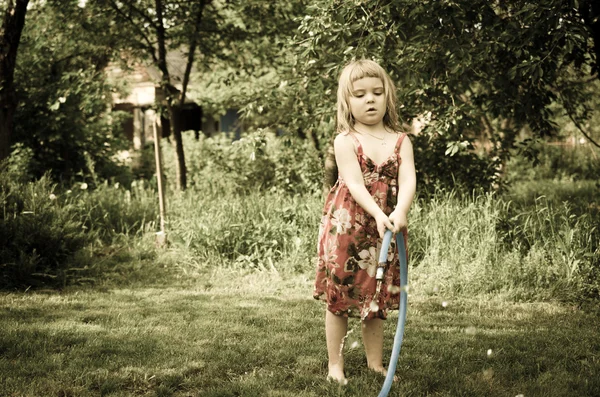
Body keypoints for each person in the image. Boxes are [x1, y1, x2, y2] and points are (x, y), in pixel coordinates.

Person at [313, 59, 416, 385]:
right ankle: (335, 365)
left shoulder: (401, 140)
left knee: (376, 299)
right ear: (347, 101)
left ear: (388, 97)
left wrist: (400, 211)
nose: (369, 99)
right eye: (360, 94)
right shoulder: (345, 140)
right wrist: (377, 213)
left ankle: (375, 364)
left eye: (376, 92)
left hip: (388, 227)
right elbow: (355, 184)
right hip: (349, 228)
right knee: (340, 299)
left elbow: (409, 179)